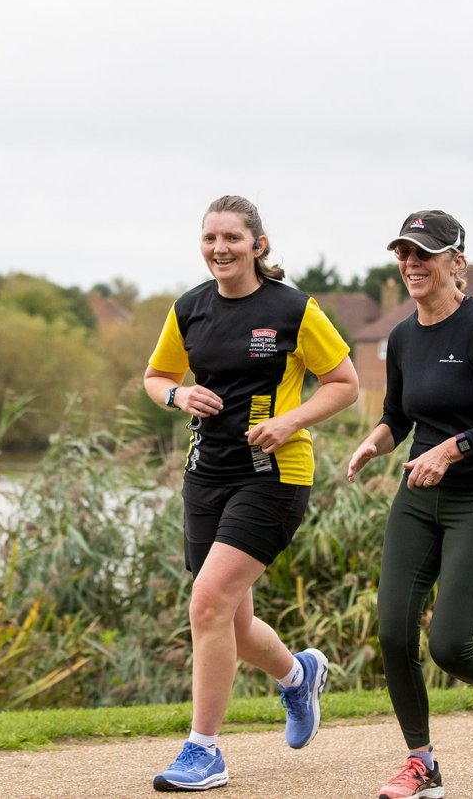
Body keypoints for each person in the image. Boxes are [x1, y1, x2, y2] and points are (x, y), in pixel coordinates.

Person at [144, 195, 360, 792]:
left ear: (258, 245)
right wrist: (178, 396)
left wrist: (290, 421)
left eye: (233, 238)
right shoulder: (189, 309)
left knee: (208, 603)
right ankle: (297, 675)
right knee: (230, 622)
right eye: (211, 238)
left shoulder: (293, 309)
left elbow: (345, 384)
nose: (220, 248)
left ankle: (204, 750)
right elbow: (156, 376)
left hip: (273, 475)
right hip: (204, 474)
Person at [347, 210, 473, 799]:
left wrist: (453, 450)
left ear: (456, 262)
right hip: (417, 496)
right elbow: (400, 416)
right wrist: (375, 443)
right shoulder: (403, 336)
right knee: (393, 634)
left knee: (449, 642)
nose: (411, 265)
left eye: (423, 255)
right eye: (403, 254)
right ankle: (421, 763)